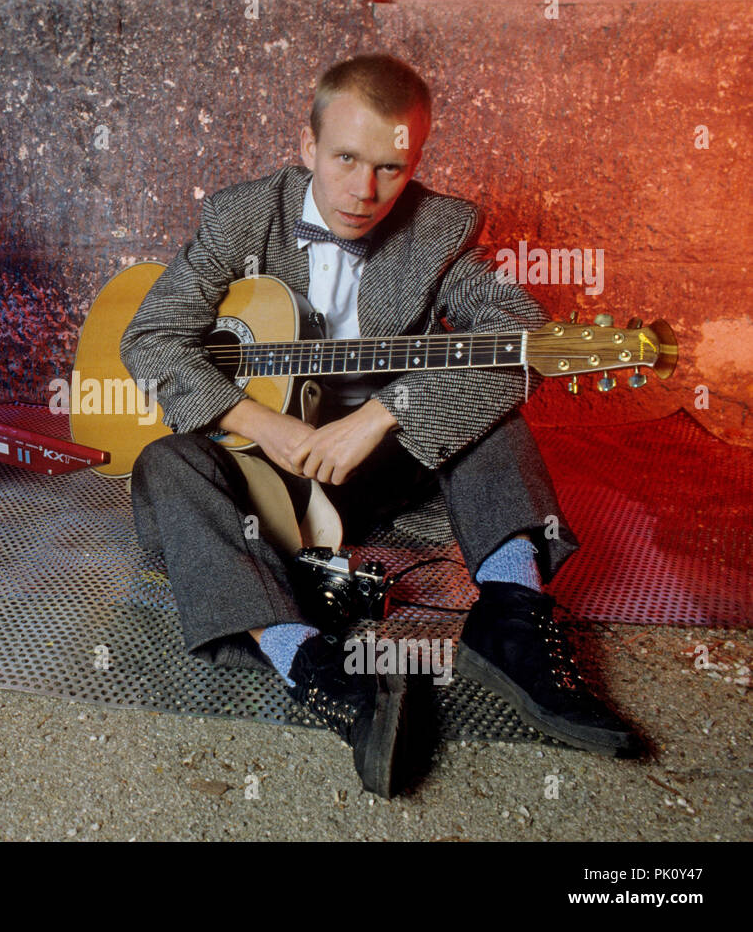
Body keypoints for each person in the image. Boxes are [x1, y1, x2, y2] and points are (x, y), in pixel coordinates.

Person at [120, 54, 640, 798]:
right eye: (345, 159)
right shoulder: (241, 215)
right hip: (262, 473)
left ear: (417, 159)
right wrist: (261, 424)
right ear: (306, 147)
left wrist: (382, 413)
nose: (365, 192)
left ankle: (512, 616)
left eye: (393, 167)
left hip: (378, 463)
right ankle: (320, 669)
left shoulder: (439, 229)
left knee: (491, 405)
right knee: (168, 463)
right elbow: (151, 337)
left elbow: (520, 329)